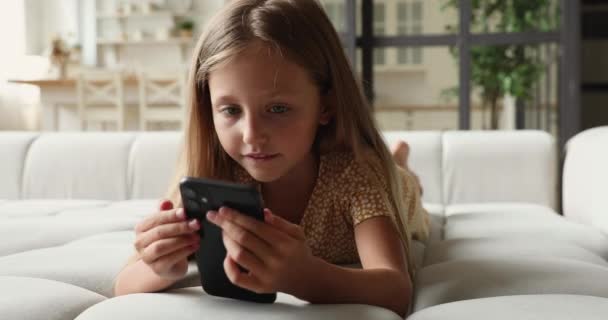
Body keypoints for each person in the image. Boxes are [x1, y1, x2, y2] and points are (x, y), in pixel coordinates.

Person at [113, 0, 429, 317]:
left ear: (326, 106)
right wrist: (162, 267)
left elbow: (396, 290)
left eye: (277, 109)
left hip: (398, 193)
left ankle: (399, 161)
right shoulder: (216, 172)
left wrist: (305, 278)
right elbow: (123, 284)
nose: (251, 135)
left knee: (403, 181)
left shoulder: (356, 175)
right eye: (231, 110)